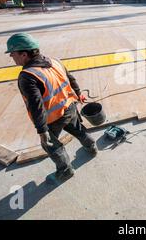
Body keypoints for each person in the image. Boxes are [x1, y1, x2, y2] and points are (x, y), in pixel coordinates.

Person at [5, 33, 97, 182]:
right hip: (70, 106)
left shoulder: (28, 76)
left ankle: (66, 170)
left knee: (51, 145)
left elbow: (36, 106)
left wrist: (42, 130)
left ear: (23, 54)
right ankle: (92, 147)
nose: (11, 56)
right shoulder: (54, 61)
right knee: (78, 129)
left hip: (53, 118)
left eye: (12, 53)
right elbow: (70, 78)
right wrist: (78, 94)